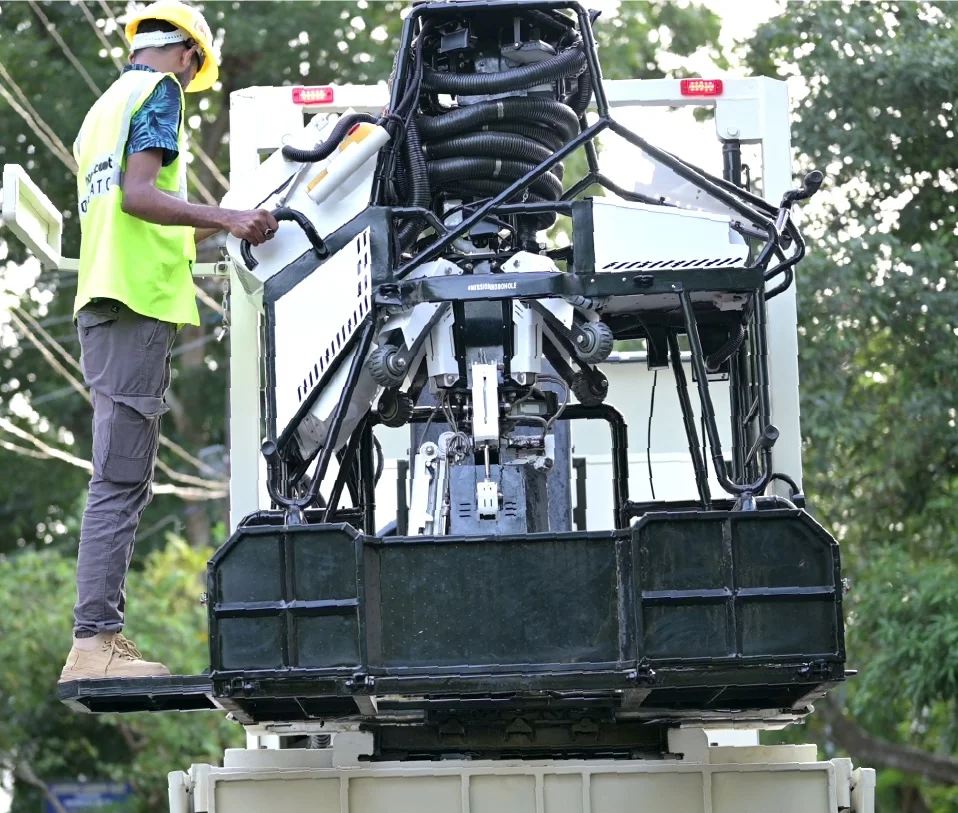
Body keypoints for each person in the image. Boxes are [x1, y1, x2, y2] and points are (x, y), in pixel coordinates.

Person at [59, 0, 278, 682]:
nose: (188, 78)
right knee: (120, 482)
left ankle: (99, 638)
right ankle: (94, 643)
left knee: (119, 479)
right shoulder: (158, 93)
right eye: (193, 68)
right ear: (185, 54)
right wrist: (232, 216)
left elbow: (135, 205)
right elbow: (140, 196)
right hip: (133, 302)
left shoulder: (102, 111)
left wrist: (219, 222)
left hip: (106, 301)